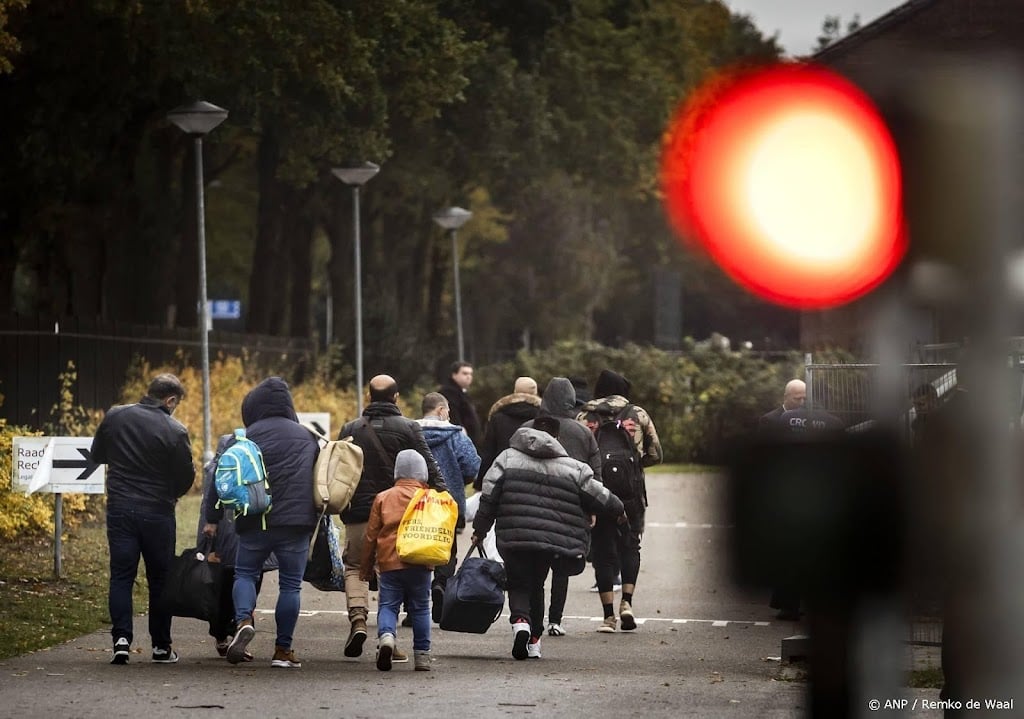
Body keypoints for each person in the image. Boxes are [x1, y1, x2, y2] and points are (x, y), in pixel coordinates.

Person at [473, 418, 625, 659]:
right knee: (537, 584)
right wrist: (619, 511)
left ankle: (520, 622)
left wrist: (480, 528)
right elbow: (599, 495)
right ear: (557, 438)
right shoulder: (573, 468)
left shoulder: (506, 458)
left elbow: (489, 495)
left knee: (517, 582)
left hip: (512, 535)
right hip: (548, 541)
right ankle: (534, 640)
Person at [337, 374, 445, 660]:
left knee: (355, 566)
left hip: (359, 512)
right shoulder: (409, 428)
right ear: (396, 398)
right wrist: (441, 500)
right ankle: (390, 639)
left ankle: (358, 618)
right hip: (404, 517)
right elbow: (430, 470)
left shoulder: (350, 428)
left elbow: (338, 471)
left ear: (369, 396)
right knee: (394, 574)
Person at [91, 373, 195, 665]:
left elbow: (97, 454)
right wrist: (171, 494)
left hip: (120, 509)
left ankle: (121, 640)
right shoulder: (175, 430)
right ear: (171, 400)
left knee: (122, 575)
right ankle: (161, 647)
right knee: (160, 580)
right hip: (158, 513)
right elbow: (186, 476)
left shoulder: (116, 416)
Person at [224, 377, 319, 668]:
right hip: (296, 522)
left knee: (245, 573)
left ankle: (243, 620)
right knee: (290, 586)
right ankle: (283, 650)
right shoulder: (307, 436)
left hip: (254, 518)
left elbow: (223, 477)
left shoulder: (243, 436)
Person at [578, 369, 662, 633]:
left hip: (596, 491)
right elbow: (655, 453)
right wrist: (635, 466)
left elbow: (576, 455)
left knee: (602, 552)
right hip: (631, 494)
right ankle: (626, 602)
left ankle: (607, 617)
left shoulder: (585, 416)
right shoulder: (637, 414)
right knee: (630, 546)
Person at [523, 377, 601, 636]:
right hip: (570, 508)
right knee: (561, 567)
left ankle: (535, 623)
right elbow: (594, 477)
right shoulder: (583, 433)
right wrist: (592, 509)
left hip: (532, 505)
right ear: (571, 400)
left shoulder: (528, 428)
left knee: (535, 570)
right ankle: (556, 619)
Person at [197, 433, 275, 660]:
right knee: (251, 583)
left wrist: (204, 546)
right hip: (250, 537)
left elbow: (207, 512)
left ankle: (222, 635)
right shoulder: (255, 465)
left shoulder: (215, 469)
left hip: (223, 544)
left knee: (221, 590)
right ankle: (240, 627)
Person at [361, 450, 438, 672]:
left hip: (389, 562)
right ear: (423, 472)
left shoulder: (383, 497)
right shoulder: (429, 498)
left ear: (397, 472)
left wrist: (365, 567)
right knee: (421, 608)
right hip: (421, 561)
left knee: (388, 605)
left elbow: (370, 536)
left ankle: (386, 637)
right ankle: (422, 656)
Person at [416, 392, 480, 622]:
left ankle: (415, 605)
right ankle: (441, 583)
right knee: (446, 548)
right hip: (448, 502)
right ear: (441, 410)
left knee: (414, 547)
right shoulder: (456, 435)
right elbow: (473, 467)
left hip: (415, 502)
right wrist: (457, 480)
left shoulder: (409, 433)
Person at [477, 376, 541, 487]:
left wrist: (479, 484)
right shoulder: (543, 417)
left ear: (515, 392)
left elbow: (489, 452)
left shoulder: (498, 417)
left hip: (504, 477)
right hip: (534, 478)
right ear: (535, 393)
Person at [439, 361, 482, 448]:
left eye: (470, 374)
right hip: (459, 442)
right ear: (454, 375)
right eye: (465, 373)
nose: (469, 376)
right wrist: (460, 429)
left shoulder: (462, 393)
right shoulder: (449, 392)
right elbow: (452, 415)